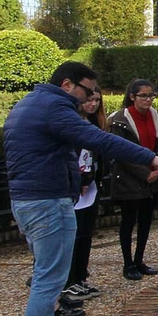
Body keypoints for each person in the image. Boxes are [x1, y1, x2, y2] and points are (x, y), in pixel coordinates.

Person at [4, 61, 158, 316]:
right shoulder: (56, 108)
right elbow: (102, 140)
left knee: (48, 270)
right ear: (68, 85)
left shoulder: (30, 102)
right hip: (46, 201)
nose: (89, 97)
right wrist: (151, 157)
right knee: (50, 277)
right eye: (87, 91)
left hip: (29, 198)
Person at [108, 79, 158, 281]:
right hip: (130, 180)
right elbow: (120, 153)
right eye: (143, 95)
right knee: (128, 222)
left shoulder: (157, 116)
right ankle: (128, 262)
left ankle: (139, 259)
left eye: (151, 95)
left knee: (146, 221)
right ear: (132, 96)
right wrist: (144, 173)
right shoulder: (120, 120)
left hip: (152, 177)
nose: (148, 99)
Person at [64, 86, 108, 300]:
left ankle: (80, 276)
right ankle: (68, 281)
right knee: (73, 235)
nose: (93, 104)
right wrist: (82, 178)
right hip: (75, 187)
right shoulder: (72, 124)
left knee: (85, 234)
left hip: (91, 186)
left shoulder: (95, 124)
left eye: (97, 100)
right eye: (89, 100)